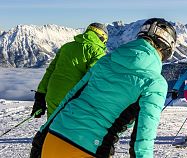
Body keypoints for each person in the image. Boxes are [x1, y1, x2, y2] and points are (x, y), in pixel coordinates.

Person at [31, 18, 177, 158]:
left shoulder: (106, 60)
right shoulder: (155, 83)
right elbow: (143, 140)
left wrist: (41, 136)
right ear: (167, 48)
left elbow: (72, 96)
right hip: (88, 149)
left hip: (52, 138)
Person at [31, 22, 108, 119]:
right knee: (70, 130)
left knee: (52, 126)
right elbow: (93, 79)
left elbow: (50, 71)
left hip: (53, 93)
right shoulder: (98, 52)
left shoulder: (67, 47)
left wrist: (40, 95)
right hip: (74, 98)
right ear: (102, 37)